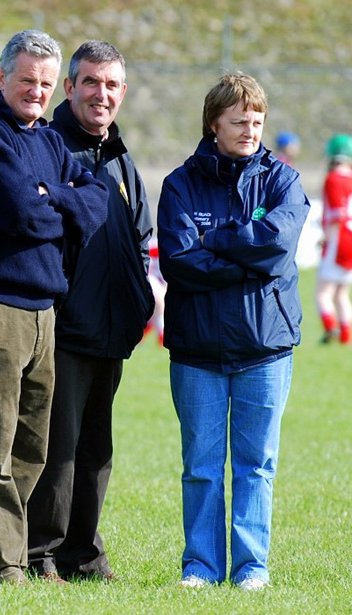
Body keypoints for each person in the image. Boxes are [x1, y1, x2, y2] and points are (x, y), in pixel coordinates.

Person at [0, 30, 109, 585]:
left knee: (32, 447)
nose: (35, 91)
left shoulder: (51, 141)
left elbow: (97, 202)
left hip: (43, 311)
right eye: (25, 79)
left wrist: (50, 194)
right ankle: (1, 567)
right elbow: (20, 213)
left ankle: (6, 556)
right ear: (0, 77)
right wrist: (53, 201)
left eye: (43, 82)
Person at [157, 71, 309, 590]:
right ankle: (199, 565)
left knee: (256, 466)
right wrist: (247, 256)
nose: (251, 130)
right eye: (239, 121)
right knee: (201, 466)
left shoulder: (283, 180)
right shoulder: (179, 184)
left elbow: (278, 249)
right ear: (213, 124)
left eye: (258, 120)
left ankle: (251, 567)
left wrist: (215, 242)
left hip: (265, 350)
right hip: (197, 352)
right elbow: (179, 262)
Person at [27, 40, 154, 582]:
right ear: (69, 88)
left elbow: (142, 234)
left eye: (111, 85)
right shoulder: (49, 147)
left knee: (96, 449)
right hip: (63, 325)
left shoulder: (122, 158)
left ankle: (83, 553)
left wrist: (138, 306)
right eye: (91, 83)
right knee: (57, 449)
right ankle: (40, 555)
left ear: (122, 92)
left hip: (111, 330)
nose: (101, 94)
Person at [316, 134, 352, 344]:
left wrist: (325, 239)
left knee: (323, 293)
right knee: (341, 293)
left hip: (339, 239)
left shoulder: (333, 179)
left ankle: (331, 330)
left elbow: (338, 216)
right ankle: (345, 337)